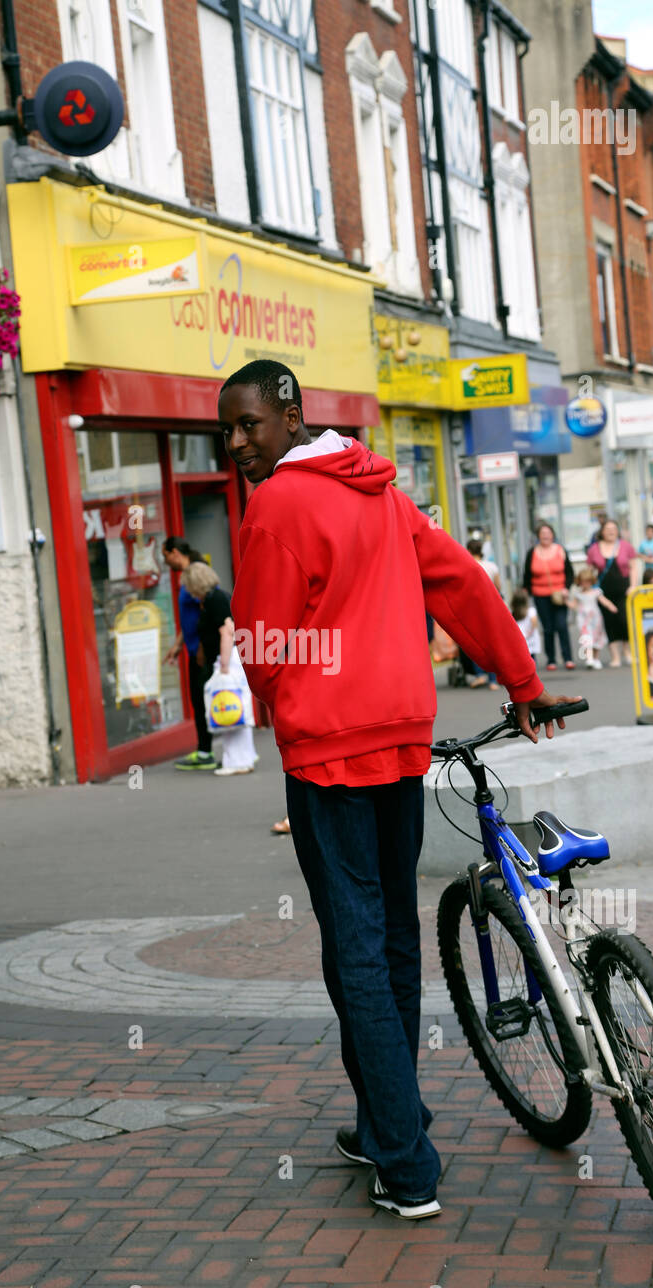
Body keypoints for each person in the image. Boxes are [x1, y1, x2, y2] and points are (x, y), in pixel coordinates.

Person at [222, 358, 581, 1221]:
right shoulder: (378, 487)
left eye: (249, 426)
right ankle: (391, 1117)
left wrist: (288, 698)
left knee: (354, 948)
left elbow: (265, 645)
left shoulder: (276, 505)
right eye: (224, 431)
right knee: (391, 941)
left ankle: (406, 1165)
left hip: (328, 757)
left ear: (291, 414)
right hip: (402, 740)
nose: (237, 444)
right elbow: (459, 581)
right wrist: (522, 682)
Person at [183, 561, 257, 775]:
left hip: (226, 660)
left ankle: (236, 761)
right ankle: (242, 758)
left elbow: (227, 630)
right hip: (230, 658)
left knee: (227, 708)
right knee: (236, 708)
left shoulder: (214, 600)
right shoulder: (218, 597)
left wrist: (223, 666)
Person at [162, 537, 216, 771]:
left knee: (203, 699)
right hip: (193, 648)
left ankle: (206, 752)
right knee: (198, 700)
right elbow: (190, 620)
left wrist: (202, 648)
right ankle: (205, 749)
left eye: (166, 556)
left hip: (201, 651)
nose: (166, 563)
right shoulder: (186, 578)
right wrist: (177, 645)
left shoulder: (195, 574)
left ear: (175, 552)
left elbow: (206, 612)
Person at [522, 523, 575, 671]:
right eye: (542, 533)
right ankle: (551, 659)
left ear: (553, 535)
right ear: (538, 536)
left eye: (548, 533)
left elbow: (570, 572)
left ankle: (568, 658)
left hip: (559, 595)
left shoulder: (560, 550)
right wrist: (526, 592)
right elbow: (527, 574)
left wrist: (566, 588)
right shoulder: (532, 553)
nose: (545, 535)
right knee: (548, 628)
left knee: (562, 625)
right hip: (540, 595)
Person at [586, 519, 639, 667]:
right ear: (602, 532)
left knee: (624, 620)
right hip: (603, 593)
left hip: (624, 590)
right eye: (607, 529)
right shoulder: (594, 549)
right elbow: (589, 572)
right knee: (609, 623)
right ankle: (615, 656)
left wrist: (633, 585)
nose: (611, 531)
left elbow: (633, 567)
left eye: (613, 528)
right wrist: (592, 589)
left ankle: (627, 652)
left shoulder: (626, 546)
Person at [462, 538, 501, 689]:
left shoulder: (467, 566)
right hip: (490, 607)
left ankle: (480, 674)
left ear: (469, 551)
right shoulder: (492, 566)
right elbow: (498, 587)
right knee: (491, 643)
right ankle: (493, 679)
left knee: (475, 642)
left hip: (472, 608)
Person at [568, 565, 616, 669]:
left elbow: (604, 601)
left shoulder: (596, 592)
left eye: (588, 581)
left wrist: (611, 606)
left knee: (596, 638)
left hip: (595, 618)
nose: (585, 584)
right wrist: (564, 600)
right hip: (583, 619)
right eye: (583, 581)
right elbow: (573, 605)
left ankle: (596, 658)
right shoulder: (578, 594)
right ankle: (589, 658)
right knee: (586, 637)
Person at [510, 588, 540, 664]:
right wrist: (530, 632)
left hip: (519, 641)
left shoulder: (512, 613)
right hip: (530, 640)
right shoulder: (531, 611)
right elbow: (534, 624)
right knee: (532, 659)